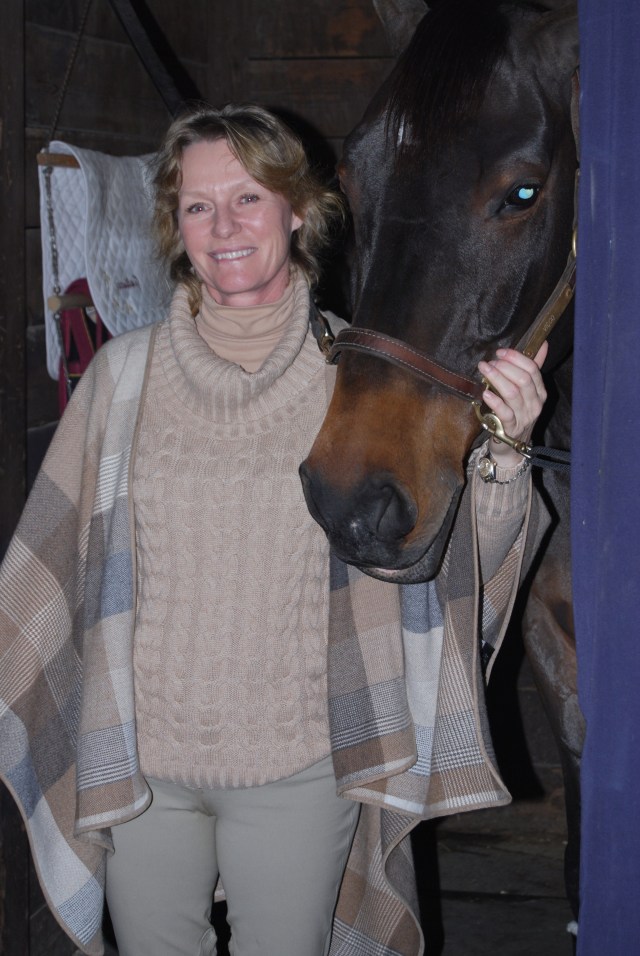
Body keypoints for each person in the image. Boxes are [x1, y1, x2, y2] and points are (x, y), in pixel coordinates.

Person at [0, 103, 548, 956]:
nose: (223, 228)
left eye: (249, 199)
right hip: (144, 767)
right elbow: (42, 575)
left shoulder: (362, 385)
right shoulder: (121, 381)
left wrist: (506, 456)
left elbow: (450, 567)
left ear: (299, 211)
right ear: (175, 229)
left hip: (301, 769)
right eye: (197, 206)